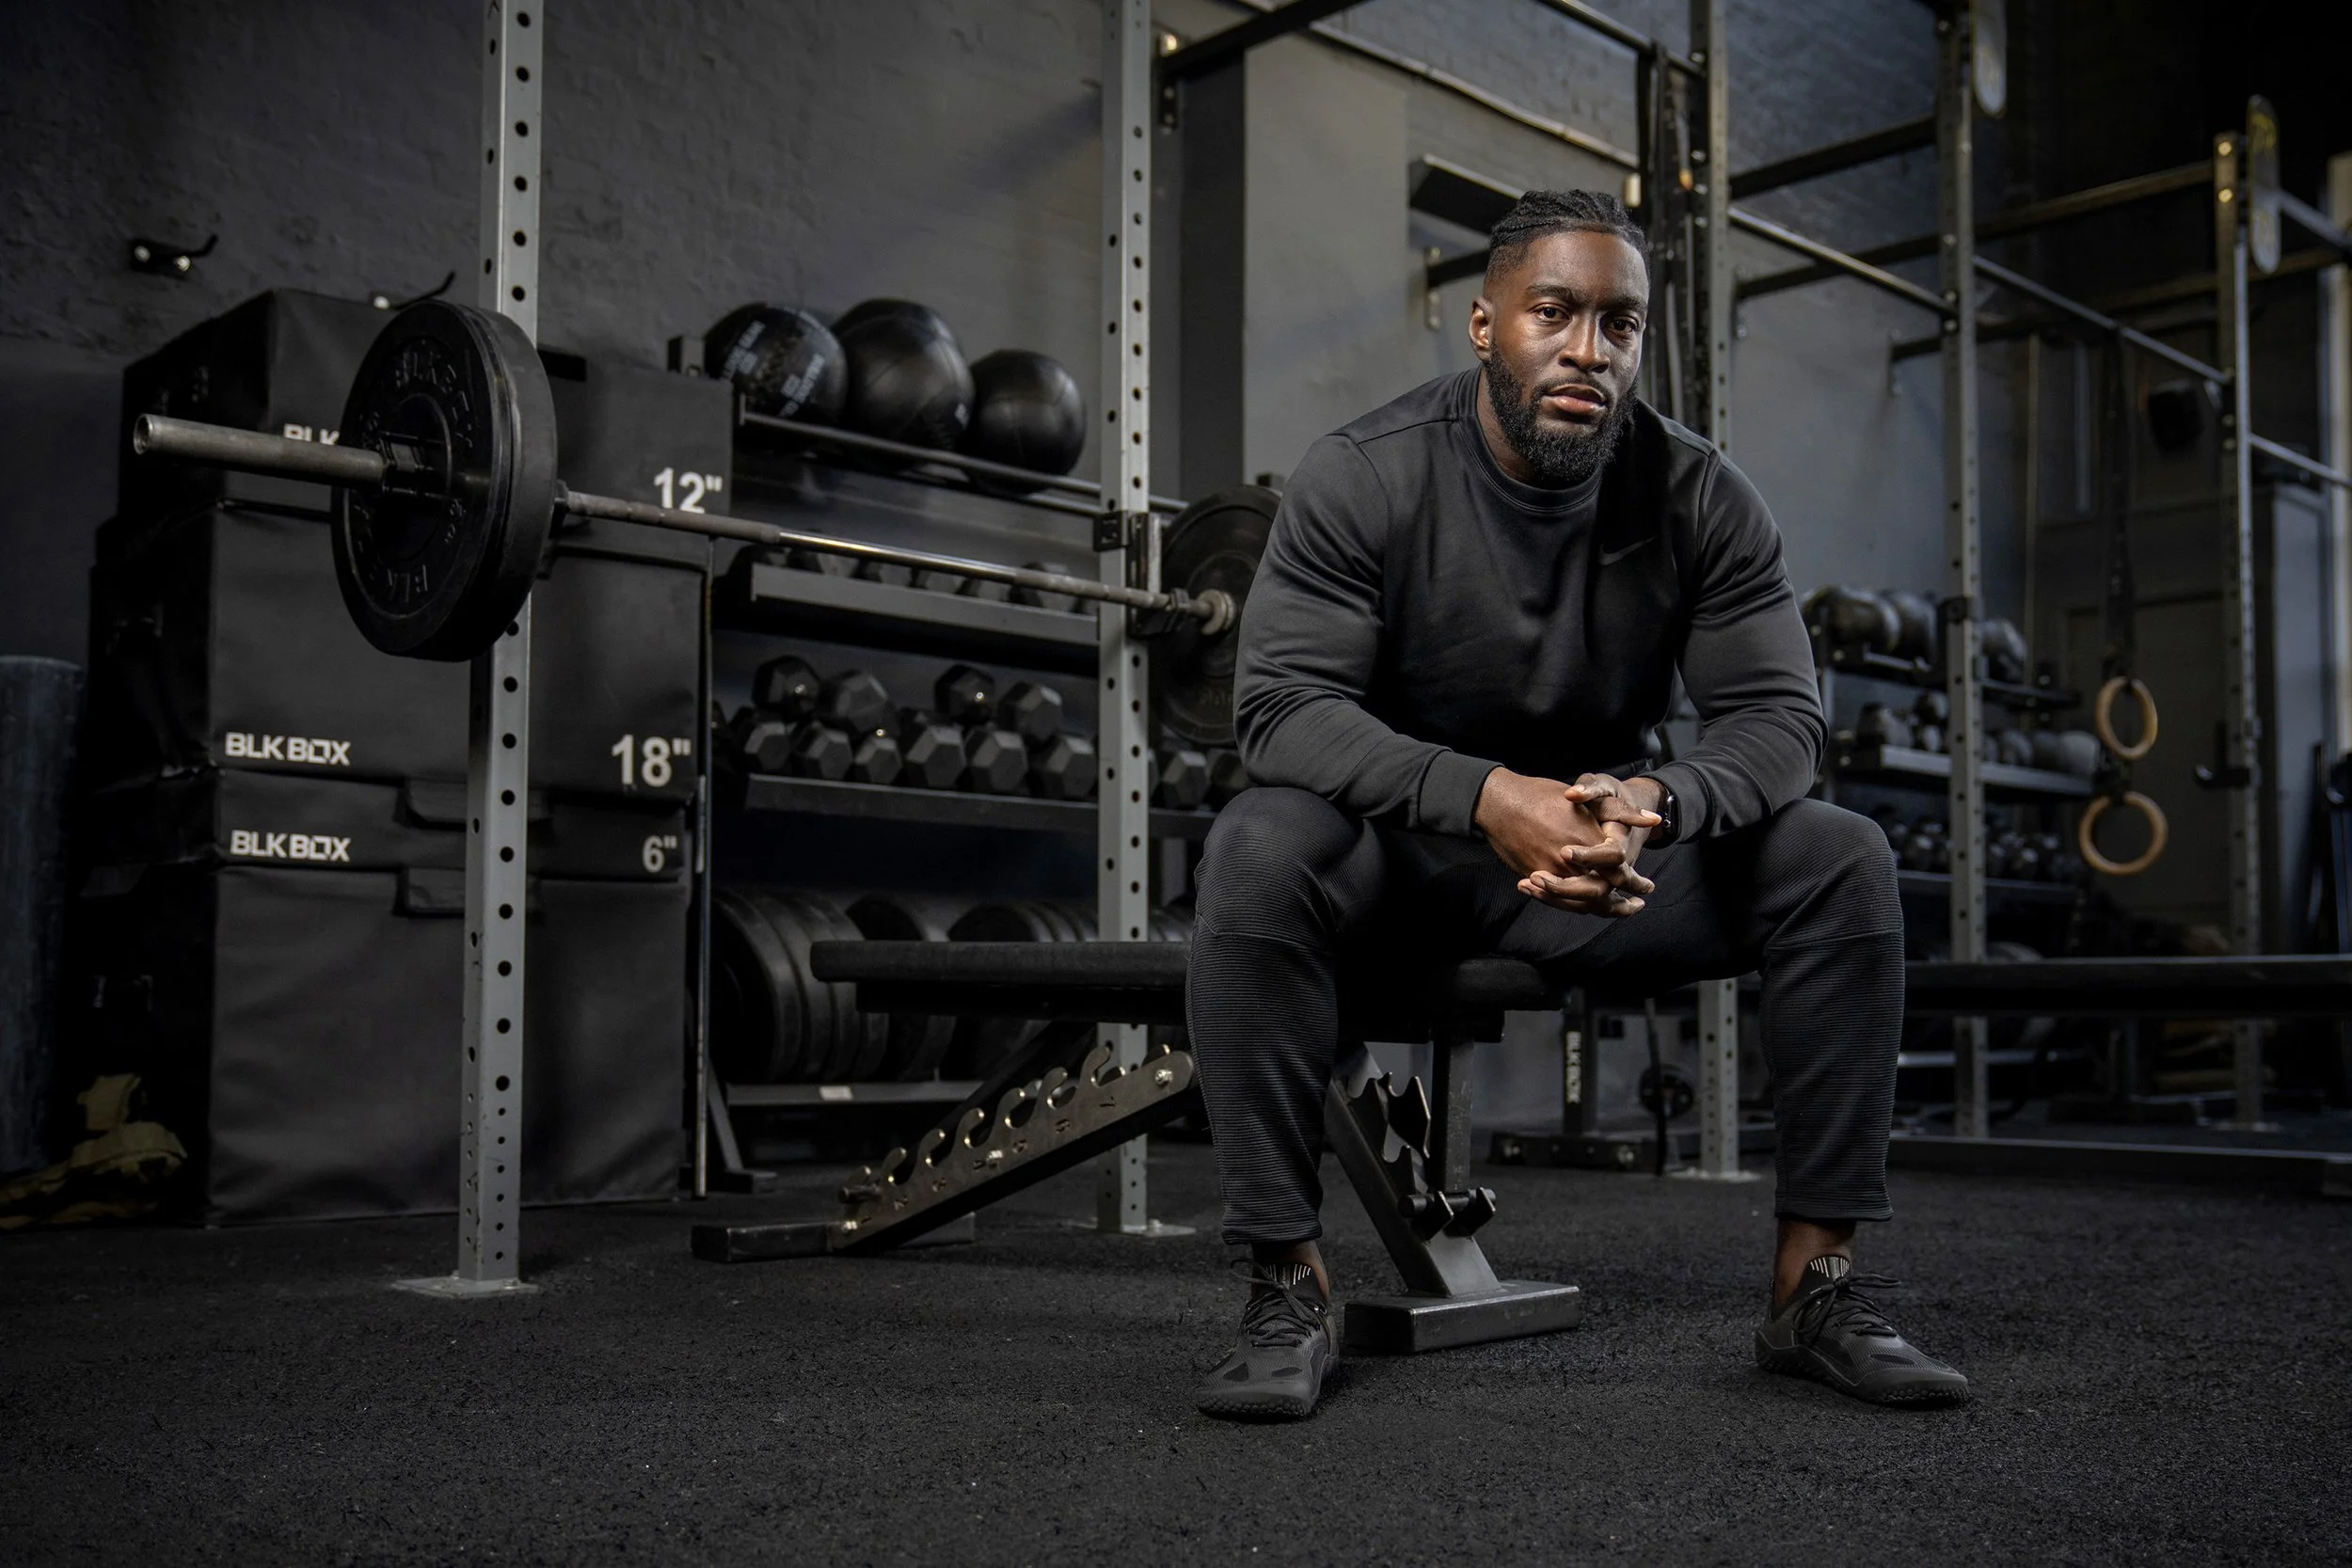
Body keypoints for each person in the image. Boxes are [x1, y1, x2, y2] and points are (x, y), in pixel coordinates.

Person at [1185, 189, 1967, 1421]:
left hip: (1602, 869)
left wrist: (1655, 799)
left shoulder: (1704, 496)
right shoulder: (1364, 476)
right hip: (1398, 858)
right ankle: (1287, 1284)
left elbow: (1781, 723)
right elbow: (1280, 709)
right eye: (1554, 312)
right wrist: (1485, 794)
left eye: (1619, 324)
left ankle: (1813, 1288)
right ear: (1485, 323)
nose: (1587, 350)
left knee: (1840, 855)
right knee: (1255, 841)